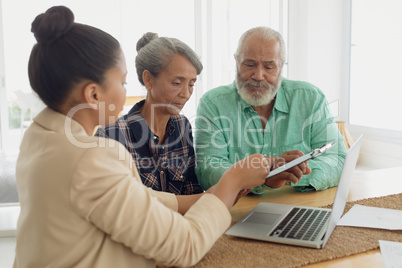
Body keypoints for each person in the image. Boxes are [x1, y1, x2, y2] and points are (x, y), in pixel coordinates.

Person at [14, 6, 270, 267]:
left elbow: (132, 198)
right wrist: (232, 180)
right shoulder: (91, 157)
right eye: (123, 83)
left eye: (191, 83)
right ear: (93, 95)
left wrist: (217, 194)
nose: (126, 94)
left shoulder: (40, 139)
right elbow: (184, 247)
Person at [195, 26, 347, 195]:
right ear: (236, 61)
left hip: (298, 204)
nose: (259, 76)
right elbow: (207, 169)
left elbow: (339, 159)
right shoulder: (213, 103)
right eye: (250, 64)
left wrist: (289, 174)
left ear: (281, 66)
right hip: (239, 210)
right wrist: (266, 175)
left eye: (269, 67)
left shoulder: (310, 98)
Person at [96, 32, 203, 195]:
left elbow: (191, 191)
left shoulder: (182, 126)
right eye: (177, 83)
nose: (186, 94)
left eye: (191, 84)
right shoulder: (111, 137)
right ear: (148, 80)